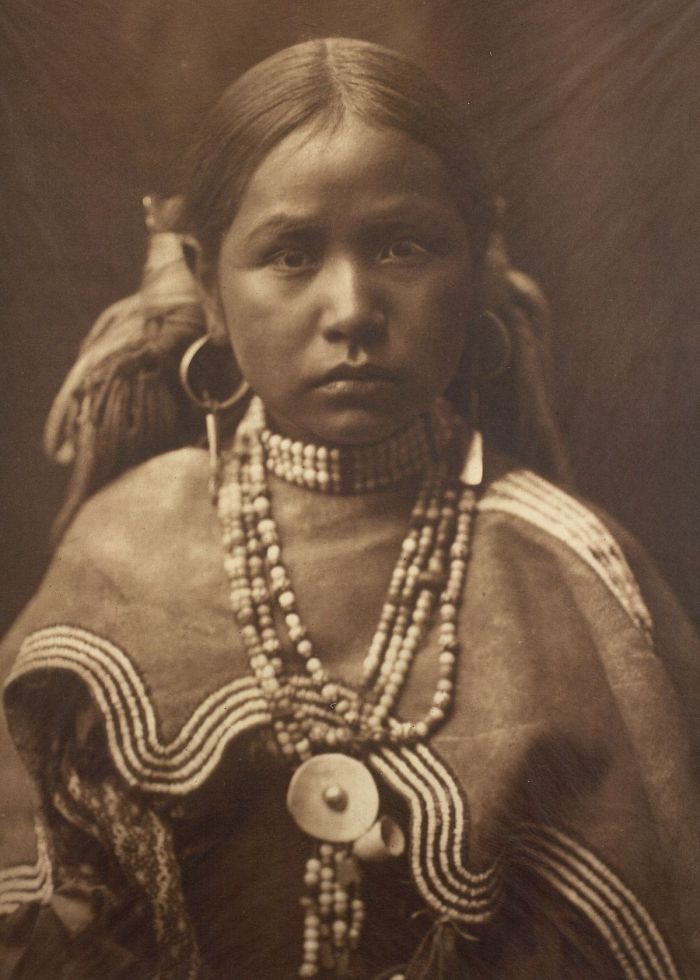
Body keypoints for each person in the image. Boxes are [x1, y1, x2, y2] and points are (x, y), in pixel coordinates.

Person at [0, 36, 698, 980]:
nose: (353, 307)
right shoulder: (121, 549)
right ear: (209, 285)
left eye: (404, 247)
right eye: (289, 254)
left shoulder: (573, 574)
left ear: (474, 259)